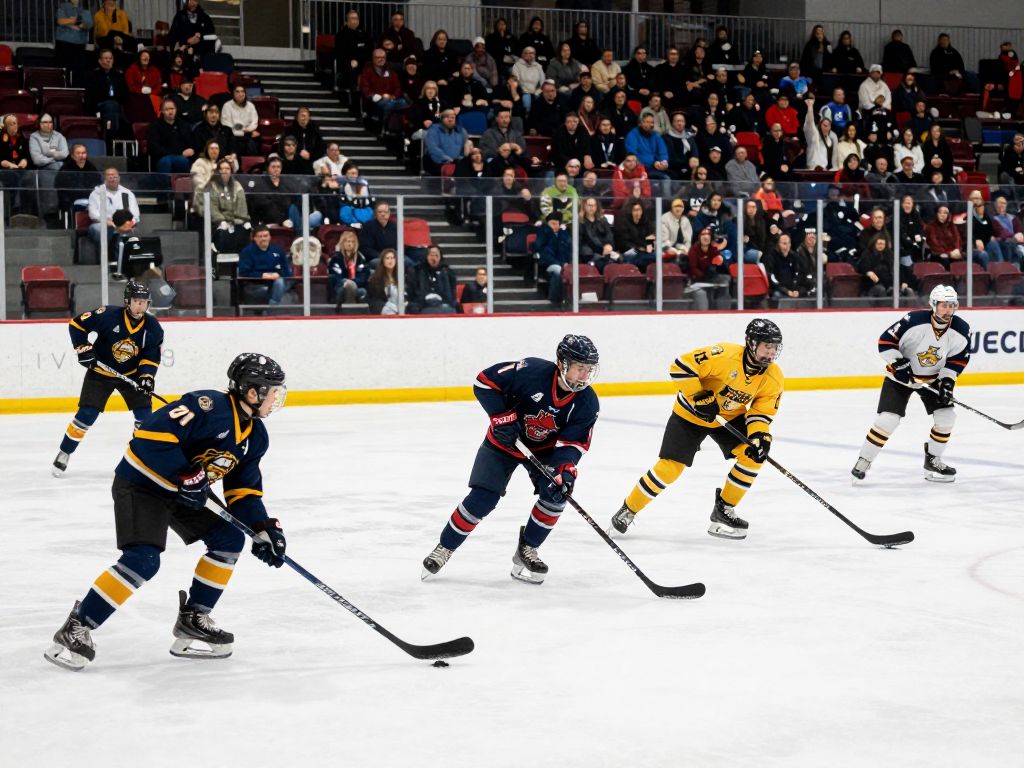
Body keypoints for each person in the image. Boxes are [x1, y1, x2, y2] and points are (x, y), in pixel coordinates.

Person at [44, 352, 287, 671]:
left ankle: (194, 618)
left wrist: (263, 527)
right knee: (143, 560)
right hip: (141, 484)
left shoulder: (255, 437)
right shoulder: (207, 405)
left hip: (183, 495)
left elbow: (243, 492)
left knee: (229, 538)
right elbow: (149, 436)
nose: (276, 399)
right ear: (252, 391)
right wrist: (186, 474)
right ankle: (77, 627)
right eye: (273, 391)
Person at [421, 335, 600, 584]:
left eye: (589, 370)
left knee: (556, 493)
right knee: (483, 498)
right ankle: (445, 547)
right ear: (562, 363)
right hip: (504, 443)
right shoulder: (531, 371)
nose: (585, 376)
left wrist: (564, 470)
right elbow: (484, 382)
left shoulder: (587, 402)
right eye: (580, 368)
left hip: (543, 452)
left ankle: (527, 549)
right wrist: (501, 417)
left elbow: (572, 445)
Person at [610, 319, 784, 540]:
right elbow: (680, 367)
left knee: (753, 456)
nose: (770, 352)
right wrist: (699, 396)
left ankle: (724, 509)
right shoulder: (724, 355)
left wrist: (759, 436)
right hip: (690, 414)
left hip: (728, 418)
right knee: (670, 468)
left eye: (774, 347)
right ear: (751, 343)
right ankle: (629, 509)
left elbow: (761, 411)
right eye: (766, 346)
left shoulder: (773, 376)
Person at [851, 286, 969, 484]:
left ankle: (933, 460)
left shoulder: (961, 329)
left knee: (947, 417)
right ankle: (864, 460)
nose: (948, 311)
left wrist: (947, 382)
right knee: (888, 420)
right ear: (933, 305)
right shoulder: (913, 321)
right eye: (943, 306)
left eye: (952, 306)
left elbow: (957, 360)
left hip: (932, 380)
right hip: (900, 379)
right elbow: (886, 342)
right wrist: (898, 363)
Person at [51, 281, 164, 477]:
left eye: (144, 302)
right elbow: (77, 324)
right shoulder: (109, 315)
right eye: (137, 301)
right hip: (100, 373)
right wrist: (83, 347)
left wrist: (146, 377)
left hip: (132, 376)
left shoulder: (153, 326)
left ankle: (140, 460)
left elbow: (151, 355)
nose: (141, 306)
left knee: (145, 418)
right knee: (86, 415)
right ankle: (64, 452)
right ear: (127, 302)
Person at [196, 159, 250, 254]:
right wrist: (222, 220)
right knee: (223, 233)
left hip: (236, 221)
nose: (224, 171)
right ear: (218, 171)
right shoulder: (211, 186)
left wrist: (236, 221)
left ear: (231, 171)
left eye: (227, 168)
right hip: (218, 222)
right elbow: (212, 208)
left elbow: (242, 208)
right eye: (221, 169)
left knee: (244, 231)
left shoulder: (237, 186)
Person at [87, 167, 141, 259]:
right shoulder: (96, 193)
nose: (112, 178)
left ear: (119, 178)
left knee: (125, 233)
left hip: (124, 224)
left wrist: (127, 224)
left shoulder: (128, 194)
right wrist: (110, 223)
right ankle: (104, 261)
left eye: (115, 176)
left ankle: (120, 264)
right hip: (102, 224)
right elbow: (93, 214)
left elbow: (135, 216)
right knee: (100, 230)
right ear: (104, 178)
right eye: (109, 176)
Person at [238, 225, 291, 310]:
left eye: (266, 236)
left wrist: (277, 274)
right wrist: (262, 275)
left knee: (279, 282)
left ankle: (271, 310)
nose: (263, 239)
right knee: (278, 285)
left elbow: (287, 271)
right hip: (256, 283)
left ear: (270, 237)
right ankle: (272, 311)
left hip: (276, 281)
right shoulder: (247, 252)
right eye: (260, 236)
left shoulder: (278, 250)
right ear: (254, 238)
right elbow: (243, 272)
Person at [84, 48, 128, 133]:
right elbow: (93, 95)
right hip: (100, 104)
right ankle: (111, 133)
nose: (108, 61)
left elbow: (124, 93)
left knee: (114, 106)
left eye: (110, 58)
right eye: (106, 58)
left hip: (117, 104)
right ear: (100, 61)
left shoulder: (118, 75)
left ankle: (111, 131)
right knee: (111, 105)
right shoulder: (94, 75)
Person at [148, 99, 196, 175]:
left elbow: (191, 142)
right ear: (162, 111)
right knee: (166, 162)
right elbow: (154, 147)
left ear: (176, 110)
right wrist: (178, 153)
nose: (170, 112)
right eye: (167, 109)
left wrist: (191, 149)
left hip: (182, 156)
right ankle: (165, 186)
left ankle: (182, 185)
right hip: (162, 157)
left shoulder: (184, 125)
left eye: (172, 109)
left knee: (183, 161)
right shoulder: (155, 126)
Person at [358, 49, 409, 120]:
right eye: (378, 57)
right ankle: (384, 125)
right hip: (375, 101)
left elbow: (397, 87)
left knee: (403, 103)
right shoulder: (367, 72)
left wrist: (393, 96)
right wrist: (377, 96)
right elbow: (365, 88)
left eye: (383, 57)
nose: (380, 59)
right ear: (373, 58)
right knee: (389, 105)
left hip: (391, 99)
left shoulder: (391, 72)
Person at [408, 244, 458, 314]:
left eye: (436, 255)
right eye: (431, 255)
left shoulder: (447, 272)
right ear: (426, 256)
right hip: (422, 305)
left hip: (444, 304)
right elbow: (412, 292)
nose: (434, 258)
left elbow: (452, 293)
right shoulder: (417, 271)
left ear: (440, 257)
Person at [169, 0, 220, 68]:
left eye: (195, 1)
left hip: (201, 52)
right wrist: (186, 41)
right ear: (186, 1)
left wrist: (200, 37)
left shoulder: (205, 17)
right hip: (184, 51)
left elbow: (211, 34)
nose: (193, 3)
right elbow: (173, 35)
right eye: (190, 1)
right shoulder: (180, 16)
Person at [55, 142, 101, 213]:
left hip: (90, 200)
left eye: (83, 153)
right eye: (78, 153)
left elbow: (98, 184)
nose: (81, 155)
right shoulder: (65, 169)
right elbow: (61, 190)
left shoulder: (92, 168)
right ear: (72, 156)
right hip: (71, 202)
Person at [328, 230, 369, 306]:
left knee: (362, 291)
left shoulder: (361, 258)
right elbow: (334, 276)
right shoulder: (336, 258)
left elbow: (364, 275)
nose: (350, 244)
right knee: (344, 290)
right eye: (347, 241)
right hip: (341, 286)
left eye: (352, 242)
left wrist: (352, 283)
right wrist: (345, 283)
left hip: (358, 286)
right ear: (342, 243)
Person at [423, 109, 471, 175]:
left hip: (456, 163)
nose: (450, 119)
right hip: (437, 162)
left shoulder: (461, 131)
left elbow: (464, 147)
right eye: (447, 117)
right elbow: (433, 148)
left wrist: (460, 158)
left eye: (452, 117)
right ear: (441, 119)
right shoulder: (433, 130)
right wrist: (447, 158)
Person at [335, 9, 372, 90]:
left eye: (356, 18)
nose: (354, 21)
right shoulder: (341, 35)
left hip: (364, 61)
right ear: (347, 21)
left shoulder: (364, 34)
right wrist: (351, 60)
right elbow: (341, 53)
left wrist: (360, 60)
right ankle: (353, 95)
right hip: (347, 62)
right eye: (352, 18)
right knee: (352, 68)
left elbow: (369, 50)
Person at [578, 196, 618, 270]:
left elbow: (609, 235)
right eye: (589, 205)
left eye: (594, 205)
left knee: (620, 260)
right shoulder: (580, 222)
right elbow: (583, 243)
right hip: (590, 254)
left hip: (605, 251)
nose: (592, 207)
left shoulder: (602, 219)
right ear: (584, 206)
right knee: (605, 264)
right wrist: (602, 249)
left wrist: (609, 245)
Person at [54, 0, 93, 74]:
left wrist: (71, 22)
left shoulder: (84, 9)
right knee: (63, 70)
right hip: (64, 43)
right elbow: (60, 21)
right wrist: (77, 21)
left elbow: (88, 24)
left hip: (79, 44)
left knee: (78, 71)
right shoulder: (63, 6)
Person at [221, 86, 261, 156]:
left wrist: (249, 130)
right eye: (237, 92)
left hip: (248, 134)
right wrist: (243, 131)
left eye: (242, 91)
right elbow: (226, 124)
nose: (240, 94)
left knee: (256, 139)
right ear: (233, 93)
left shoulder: (250, 105)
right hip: (233, 135)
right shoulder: (227, 106)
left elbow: (254, 122)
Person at [93, 0, 136, 64]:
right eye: (108, 2)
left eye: (113, 1)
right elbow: (104, 32)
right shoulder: (98, 15)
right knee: (109, 37)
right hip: (106, 38)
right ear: (104, 3)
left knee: (132, 41)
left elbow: (125, 31)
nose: (111, 2)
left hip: (121, 37)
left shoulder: (122, 13)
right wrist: (109, 14)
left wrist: (120, 39)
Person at [359, 201, 398, 265]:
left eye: (385, 212)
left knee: (409, 264)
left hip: (393, 257)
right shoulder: (368, 226)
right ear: (375, 214)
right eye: (380, 212)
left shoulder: (394, 226)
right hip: (375, 257)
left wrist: (392, 256)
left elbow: (398, 246)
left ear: (389, 213)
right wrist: (383, 256)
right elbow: (365, 248)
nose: (383, 214)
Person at [125, 49, 163, 116]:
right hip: (136, 96)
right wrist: (141, 90)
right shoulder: (132, 69)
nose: (146, 58)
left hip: (152, 95)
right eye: (143, 56)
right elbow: (130, 85)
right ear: (139, 58)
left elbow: (159, 86)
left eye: (147, 56)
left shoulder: (155, 70)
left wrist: (150, 91)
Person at [365, 248, 401, 314]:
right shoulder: (375, 279)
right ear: (383, 261)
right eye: (387, 258)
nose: (390, 260)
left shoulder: (402, 277)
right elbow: (373, 300)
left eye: (393, 258)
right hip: (384, 308)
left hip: (400, 306)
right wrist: (387, 305)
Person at [511, 47, 545, 112]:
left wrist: (538, 91)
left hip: (537, 91)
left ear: (535, 55)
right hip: (524, 92)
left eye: (531, 53)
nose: (528, 55)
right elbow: (516, 81)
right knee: (527, 99)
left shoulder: (538, 66)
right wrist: (526, 91)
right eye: (526, 53)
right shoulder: (517, 66)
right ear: (522, 55)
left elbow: (542, 81)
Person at [660, 198, 693, 262]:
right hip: (666, 250)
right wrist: (674, 251)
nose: (678, 209)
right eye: (676, 206)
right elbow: (663, 241)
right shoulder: (664, 218)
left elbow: (688, 241)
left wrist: (685, 250)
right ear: (672, 208)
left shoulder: (685, 220)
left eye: (680, 206)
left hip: (682, 250)